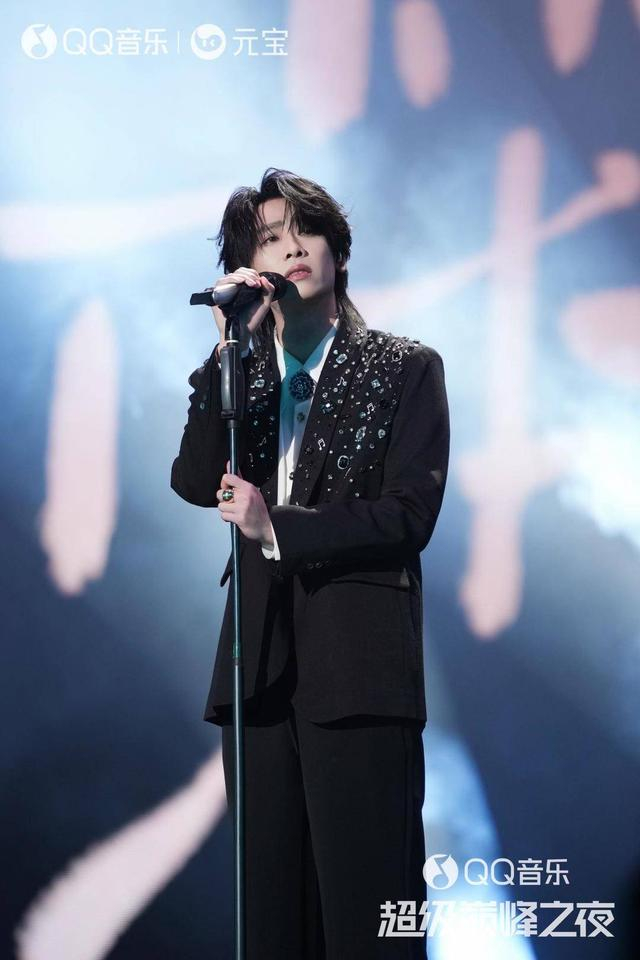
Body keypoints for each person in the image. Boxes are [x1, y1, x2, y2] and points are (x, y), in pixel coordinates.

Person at [171, 168, 450, 958]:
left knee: (369, 921)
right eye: (270, 239)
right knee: (270, 925)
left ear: (339, 249)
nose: (291, 247)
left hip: (360, 673)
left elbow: (408, 515)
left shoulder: (403, 367)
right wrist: (227, 348)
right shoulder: (243, 375)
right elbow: (193, 479)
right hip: (258, 675)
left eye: (306, 232)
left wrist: (278, 527)